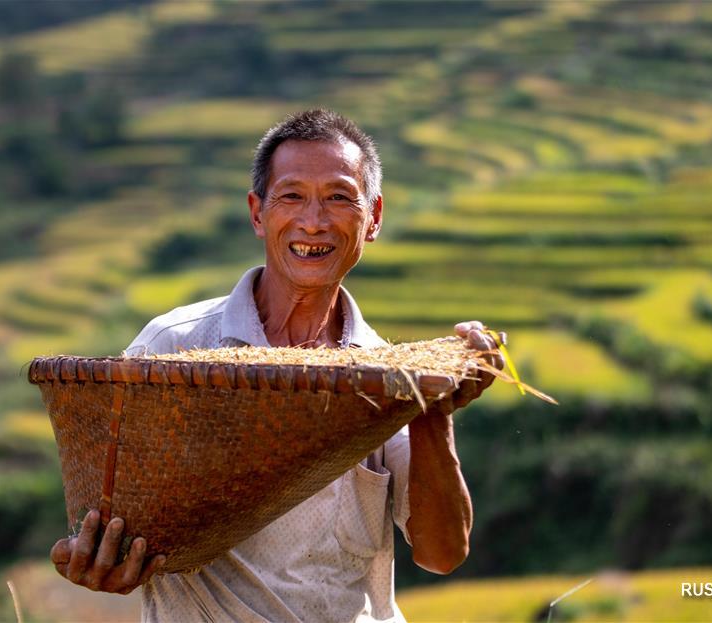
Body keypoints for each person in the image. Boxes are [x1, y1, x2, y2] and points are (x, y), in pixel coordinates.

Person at [50, 109, 500, 622]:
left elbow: (442, 553)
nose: (313, 221)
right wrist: (100, 561)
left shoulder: (385, 375)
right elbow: (112, 524)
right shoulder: (174, 347)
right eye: (291, 196)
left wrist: (432, 407)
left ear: (372, 217)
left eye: (338, 197)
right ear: (258, 212)